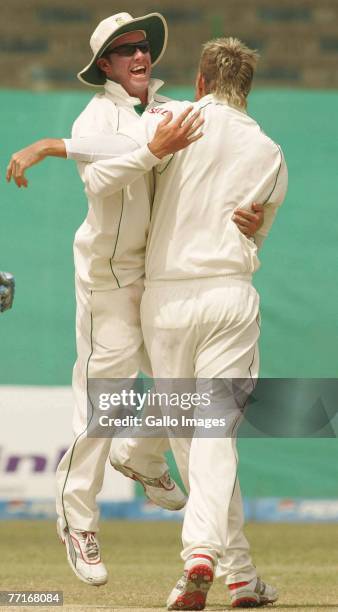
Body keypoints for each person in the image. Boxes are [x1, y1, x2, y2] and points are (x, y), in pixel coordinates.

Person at [6, 25, 270, 610]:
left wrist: (247, 220)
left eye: (145, 46)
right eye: (126, 50)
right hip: (108, 279)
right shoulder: (94, 119)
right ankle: (79, 520)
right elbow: (101, 175)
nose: (141, 55)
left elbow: (221, 161)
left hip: (162, 281)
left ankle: (147, 460)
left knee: (199, 417)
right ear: (103, 64)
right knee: (108, 402)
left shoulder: (174, 109)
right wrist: (53, 145)